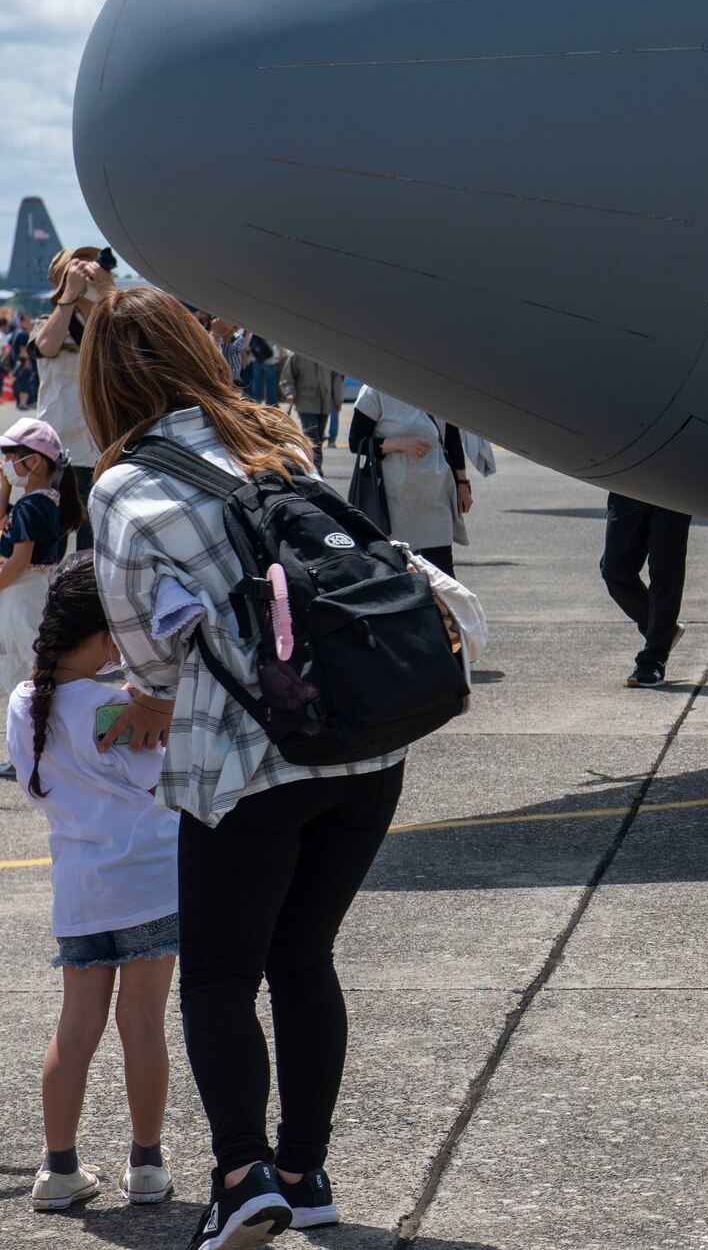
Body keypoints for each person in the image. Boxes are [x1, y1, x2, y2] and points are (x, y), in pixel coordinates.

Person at [82, 286, 408, 1247]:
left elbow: (147, 659)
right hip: (362, 742)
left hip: (248, 761)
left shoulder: (123, 485)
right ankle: (305, 1172)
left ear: (106, 380)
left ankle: (240, 1173)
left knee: (218, 977)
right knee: (305, 957)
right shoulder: (278, 438)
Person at [15, 555, 178, 1213]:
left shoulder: (25, 701)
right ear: (95, 635)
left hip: (78, 885)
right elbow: (154, 772)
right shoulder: (122, 708)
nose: (122, 646)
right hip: (148, 879)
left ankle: (59, 1167)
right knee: (143, 1022)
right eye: (115, 633)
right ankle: (145, 1162)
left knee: (76, 1024)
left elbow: (34, 784)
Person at [0, 418, 84, 781]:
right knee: (17, 672)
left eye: (9, 456)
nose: (5, 463)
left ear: (33, 461)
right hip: (20, 598)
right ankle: (28, 752)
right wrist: (4, 489)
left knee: (26, 676)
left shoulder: (34, 507)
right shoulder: (33, 502)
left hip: (23, 598)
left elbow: (19, 562)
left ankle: (36, 753)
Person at [32, 247, 116, 550]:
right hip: (59, 449)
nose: (89, 270)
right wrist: (68, 295)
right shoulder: (49, 322)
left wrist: (108, 292)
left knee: (93, 549)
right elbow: (46, 345)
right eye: (78, 266)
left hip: (101, 448)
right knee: (49, 542)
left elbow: (129, 345)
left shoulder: (110, 322)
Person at [348, 385, 473, 577]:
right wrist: (398, 444)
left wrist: (463, 484)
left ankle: (443, 609)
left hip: (435, 496)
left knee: (443, 575)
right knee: (400, 577)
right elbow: (356, 441)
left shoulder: (436, 384)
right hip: (395, 503)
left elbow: (452, 438)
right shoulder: (376, 389)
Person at [601, 495, 691, 688]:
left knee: (665, 573)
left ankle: (653, 659)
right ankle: (662, 630)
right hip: (629, 483)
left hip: (676, 482)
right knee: (614, 571)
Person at [279, 351, 344, 471]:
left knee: (318, 439)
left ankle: (313, 468)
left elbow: (336, 378)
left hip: (324, 403)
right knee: (312, 438)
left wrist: (338, 400)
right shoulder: (298, 354)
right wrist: (290, 392)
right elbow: (287, 376)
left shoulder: (328, 354)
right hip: (305, 403)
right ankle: (316, 470)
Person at [243, 333, 280, 406]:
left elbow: (248, 346)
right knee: (271, 382)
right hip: (270, 360)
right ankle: (271, 402)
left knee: (257, 382)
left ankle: (257, 400)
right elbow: (278, 345)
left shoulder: (254, 332)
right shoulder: (272, 332)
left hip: (256, 360)